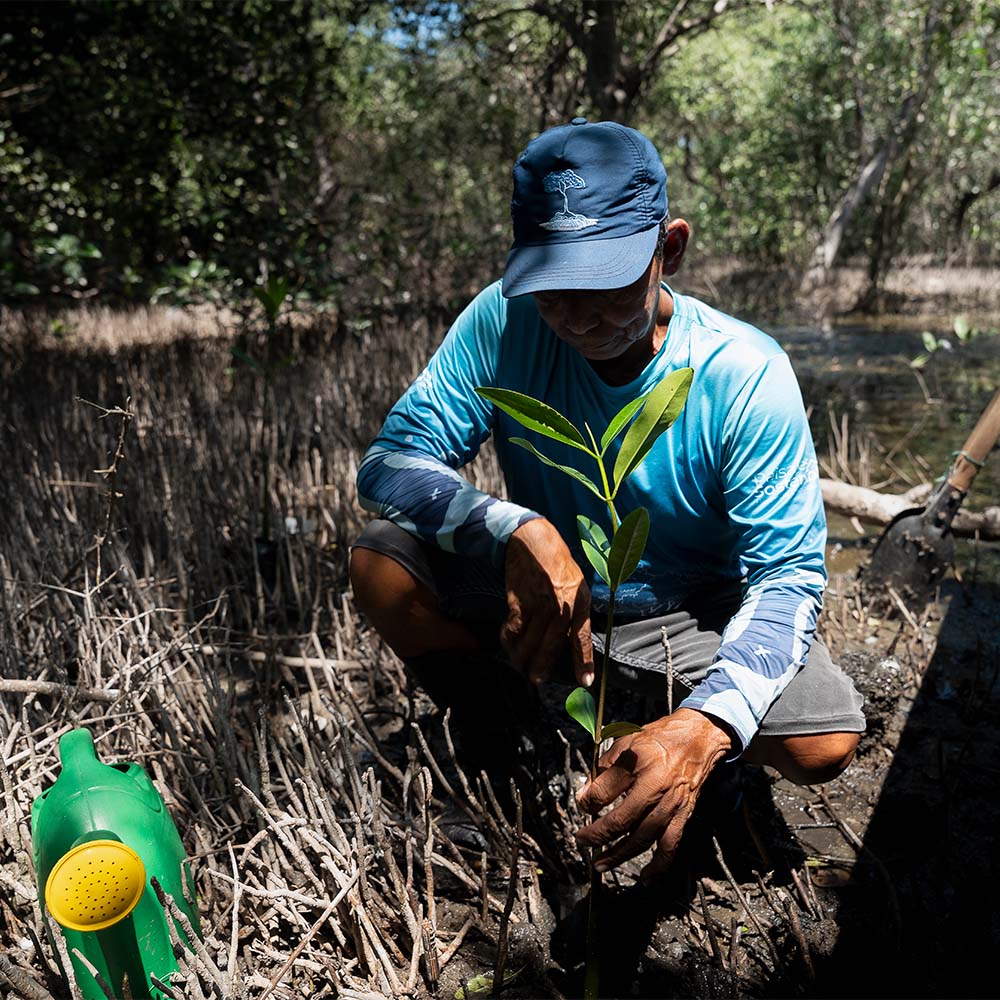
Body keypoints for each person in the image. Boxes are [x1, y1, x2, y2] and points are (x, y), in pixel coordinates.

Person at [349, 119, 864, 883]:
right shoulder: (502, 319)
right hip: (557, 595)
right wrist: (513, 528)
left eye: (607, 283)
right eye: (552, 288)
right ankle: (505, 731)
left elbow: (787, 575)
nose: (576, 315)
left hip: (693, 609)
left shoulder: (743, 371)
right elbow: (389, 464)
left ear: (672, 248)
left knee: (821, 743)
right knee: (380, 565)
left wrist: (707, 721)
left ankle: (671, 725)